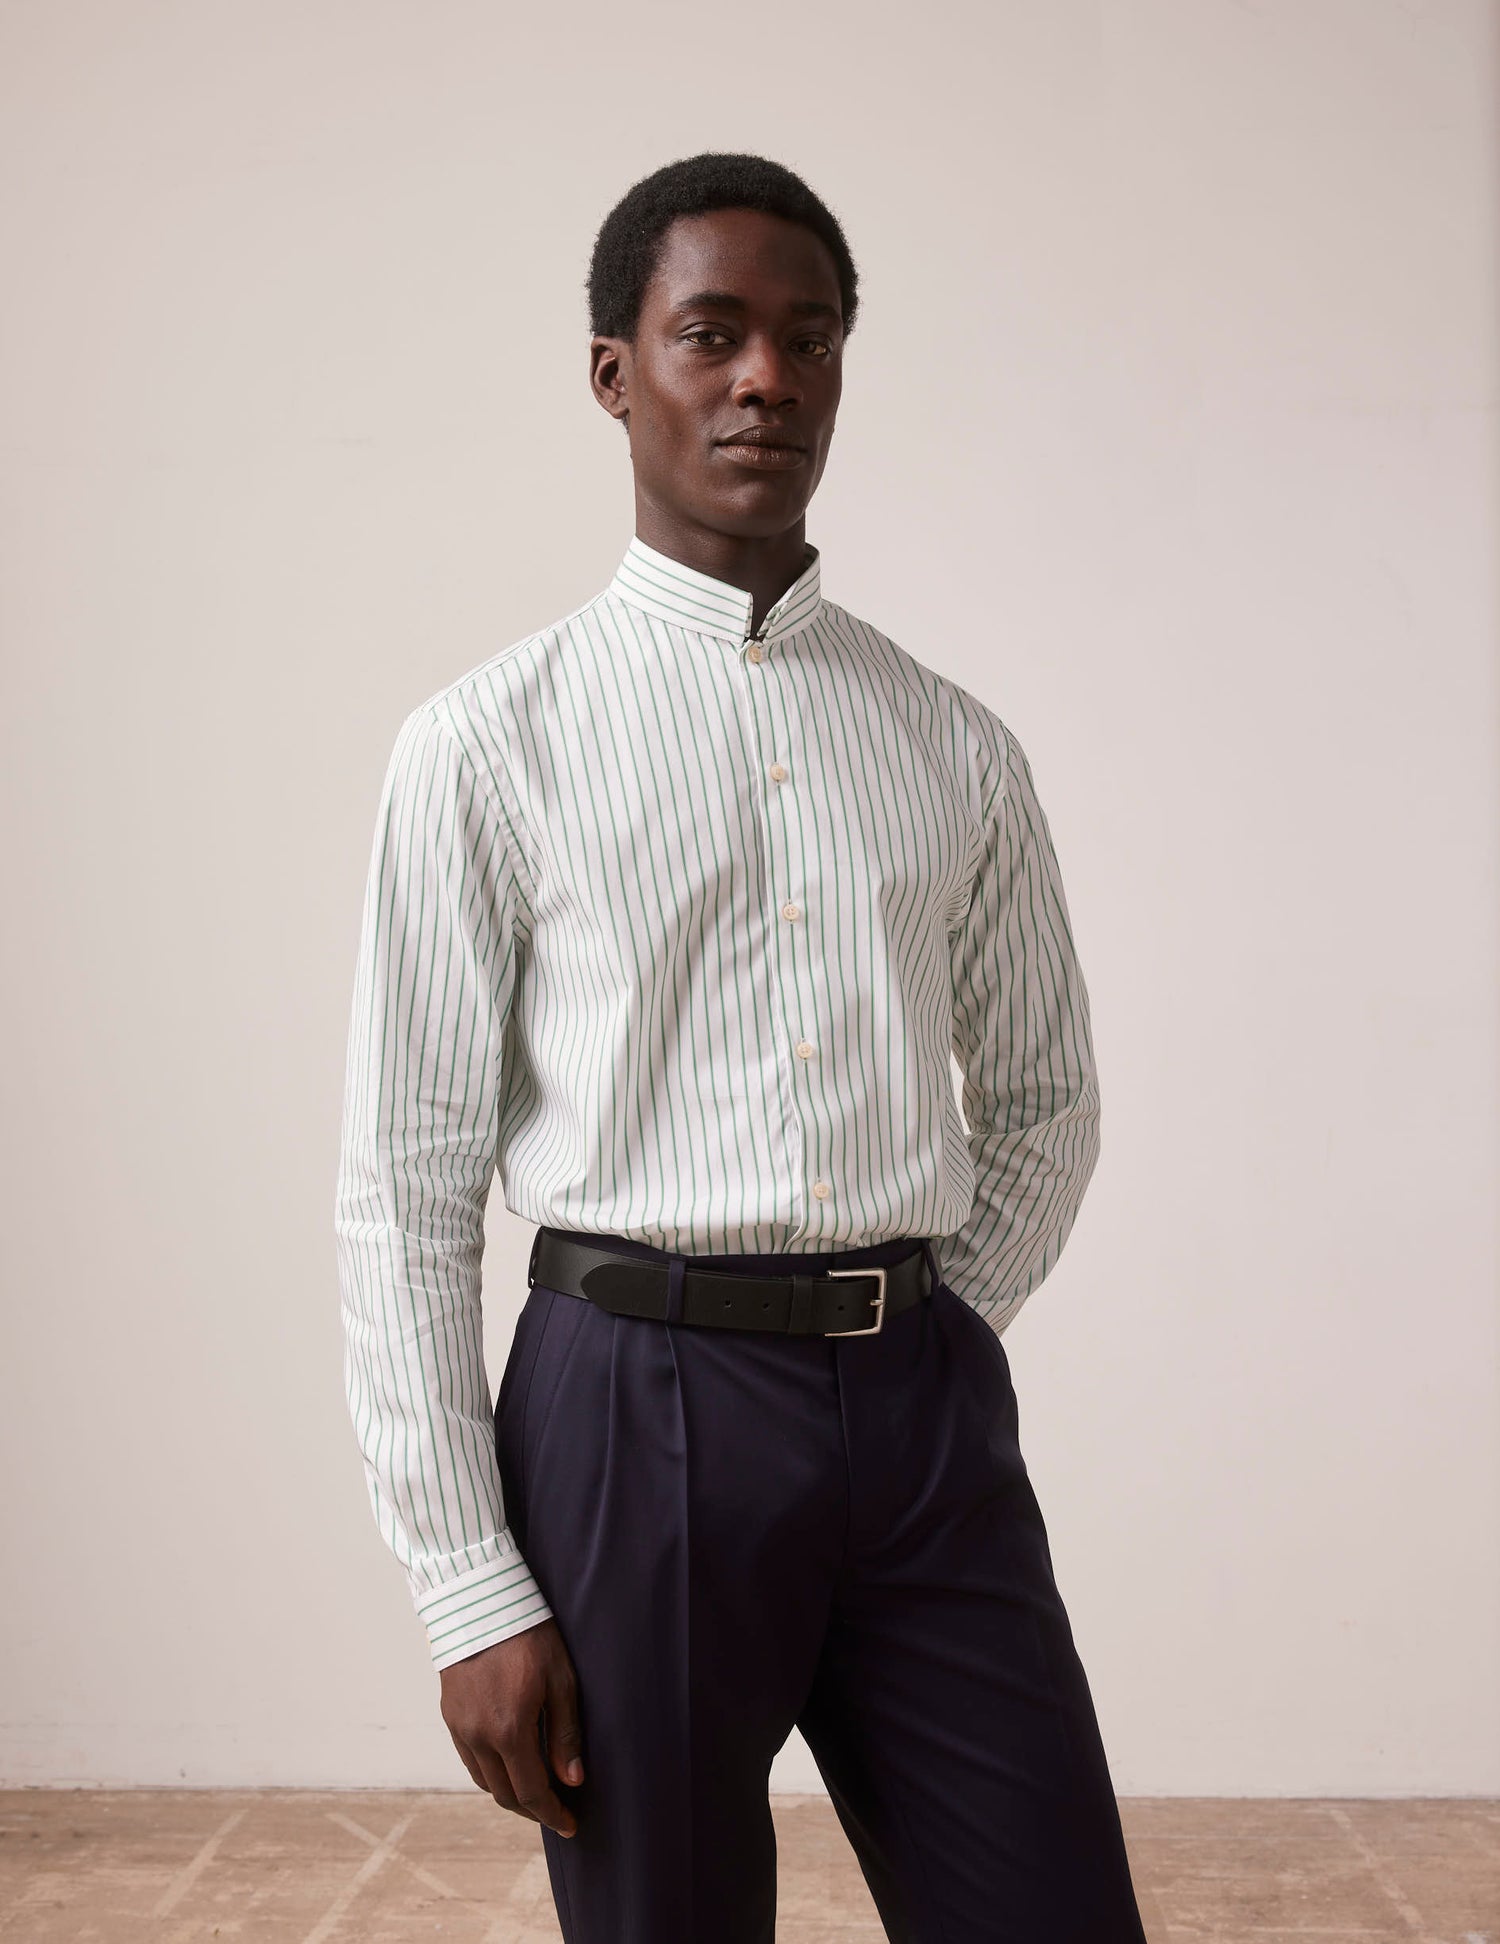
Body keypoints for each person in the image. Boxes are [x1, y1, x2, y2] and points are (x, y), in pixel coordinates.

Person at [334, 150, 1148, 1944]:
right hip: (630, 1410)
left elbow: (1044, 1101)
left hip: (922, 1419)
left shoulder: (952, 743)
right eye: (712, 334)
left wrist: (924, 1332)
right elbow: (404, 1184)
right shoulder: (488, 745)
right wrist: (469, 1585)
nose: (766, 377)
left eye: (809, 337)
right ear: (616, 373)